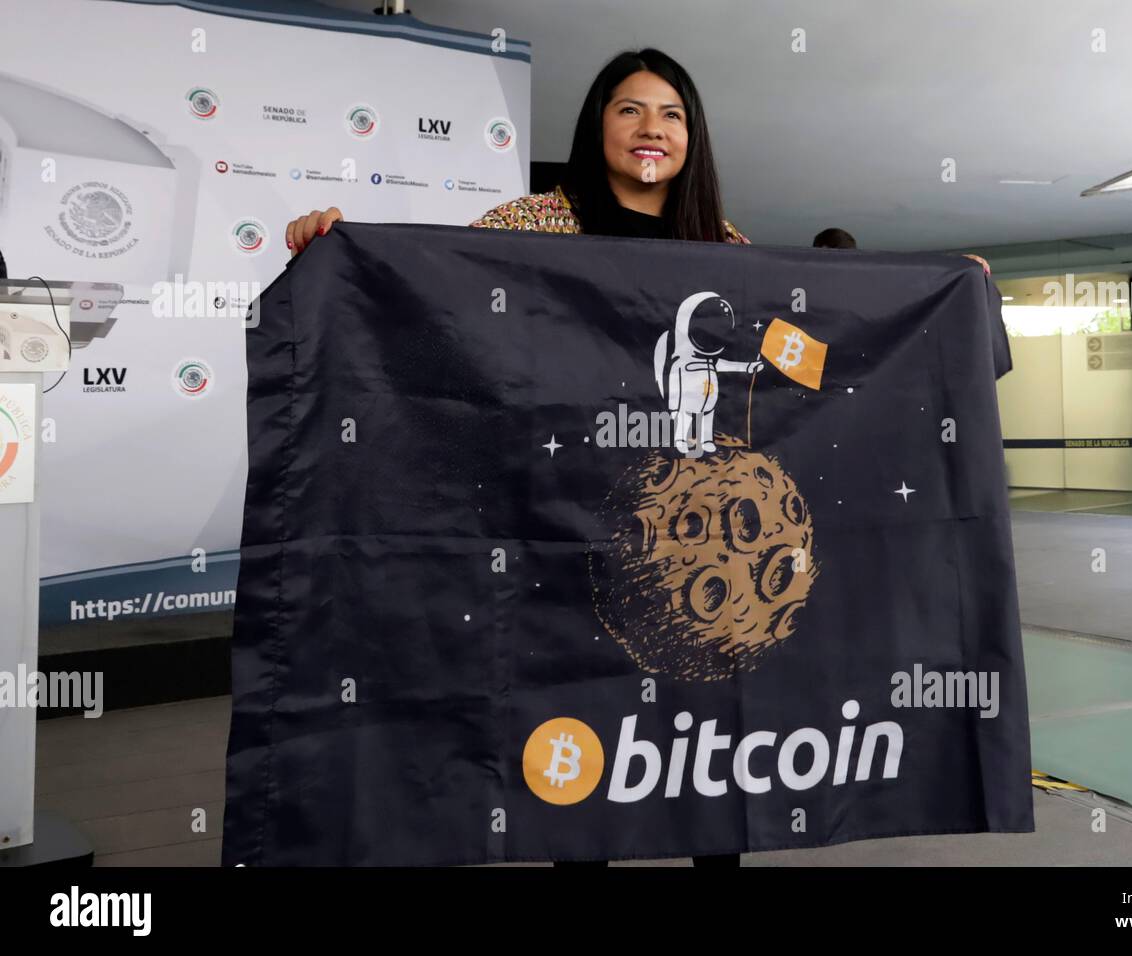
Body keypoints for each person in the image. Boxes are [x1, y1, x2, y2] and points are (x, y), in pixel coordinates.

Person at [284, 47, 990, 866]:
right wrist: (339, 249)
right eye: (630, 109)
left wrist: (948, 291)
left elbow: (810, 343)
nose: (650, 129)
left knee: (711, 759)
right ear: (598, 125)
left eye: (672, 114)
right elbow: (429, 292)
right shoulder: (529, 226)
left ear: (693, 137)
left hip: (704, 536)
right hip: (570, 527)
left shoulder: (723, 247)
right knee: (575, 757)